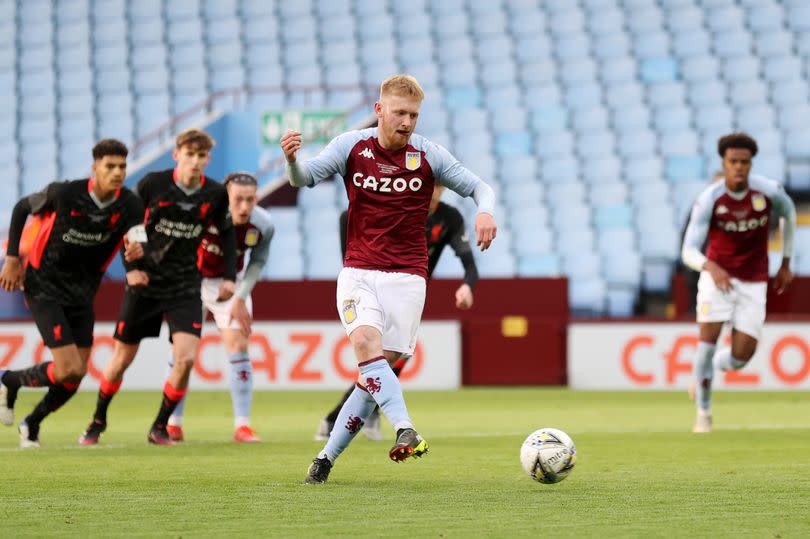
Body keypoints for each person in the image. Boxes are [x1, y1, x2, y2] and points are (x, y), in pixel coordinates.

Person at [280, 74, 497, 484]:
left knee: (372, 378)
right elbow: (304, 178)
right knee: (365, 344)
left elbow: (480, 188)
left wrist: (485, 211)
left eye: (413, 114)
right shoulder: (350, 146)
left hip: (409, 279)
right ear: (379, 110)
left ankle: (324, 460)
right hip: (359, 271)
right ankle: (404, 427)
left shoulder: (429, 155)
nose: (407, 122)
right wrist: (292, 160)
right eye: (399, 113)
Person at [78, 128, 237, 446]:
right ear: (176, 155)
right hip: (146, 283)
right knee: (122, 359)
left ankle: (160, 426)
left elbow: (228, 234)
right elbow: (129, 224)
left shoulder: (216, 194)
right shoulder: (154, 184)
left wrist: (230, 277)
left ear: (208, 159)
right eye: (189, 154)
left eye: (201, 156)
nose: (194, 161)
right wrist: (132, 269)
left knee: (186, 359)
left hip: (185, 285)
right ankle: (97, 421)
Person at [0, 139, 146, 448]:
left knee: (76, 376)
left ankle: (30, 417)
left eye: (122, 166)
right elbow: (21, 208)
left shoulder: (131, 205)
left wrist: (135, 257)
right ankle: (8, 380)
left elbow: (135, 242)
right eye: (110, 166)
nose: (117, 172)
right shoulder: (65, 193)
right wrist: (12, 258)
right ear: (95, 168)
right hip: (44, 287)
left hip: (83, 294)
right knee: (68, 368)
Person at [314, 183, 479, 442]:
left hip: (410, 294)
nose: (433, 190)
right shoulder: (398, 209)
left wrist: (467, 286)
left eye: (438, 184)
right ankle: (353, 419)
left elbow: (470, 263)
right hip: (375, 288)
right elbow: (348, 217)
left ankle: (340, 419)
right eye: (429, 183)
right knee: (380, 359)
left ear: (444, 188)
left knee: (389, 360)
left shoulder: (449, 218)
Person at [682, 132, 796, 433]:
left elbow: (789, 214)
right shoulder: (709, 199)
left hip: (754, 280)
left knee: (741, 357)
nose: (739, 167)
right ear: (724, 162)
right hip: (716, 280)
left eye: (744, 162)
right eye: (733, 161)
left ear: (750, 163)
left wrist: (786, 261)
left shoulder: (769, 192)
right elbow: (688, 250)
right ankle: (703, 415)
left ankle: (704, 373)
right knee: (705, 346)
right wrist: (712, 268)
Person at [165, 172, 275, 443]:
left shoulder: (263, 225)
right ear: (225, 198)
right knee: (182, 355)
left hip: (230, 287)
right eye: (238, 199)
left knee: (238, 346)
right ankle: (172, 422)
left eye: (250, 200)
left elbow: (257, 262)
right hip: (191, 280)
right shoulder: (203, 214)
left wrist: (241, 296)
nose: (244, 207)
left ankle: (242, 426)